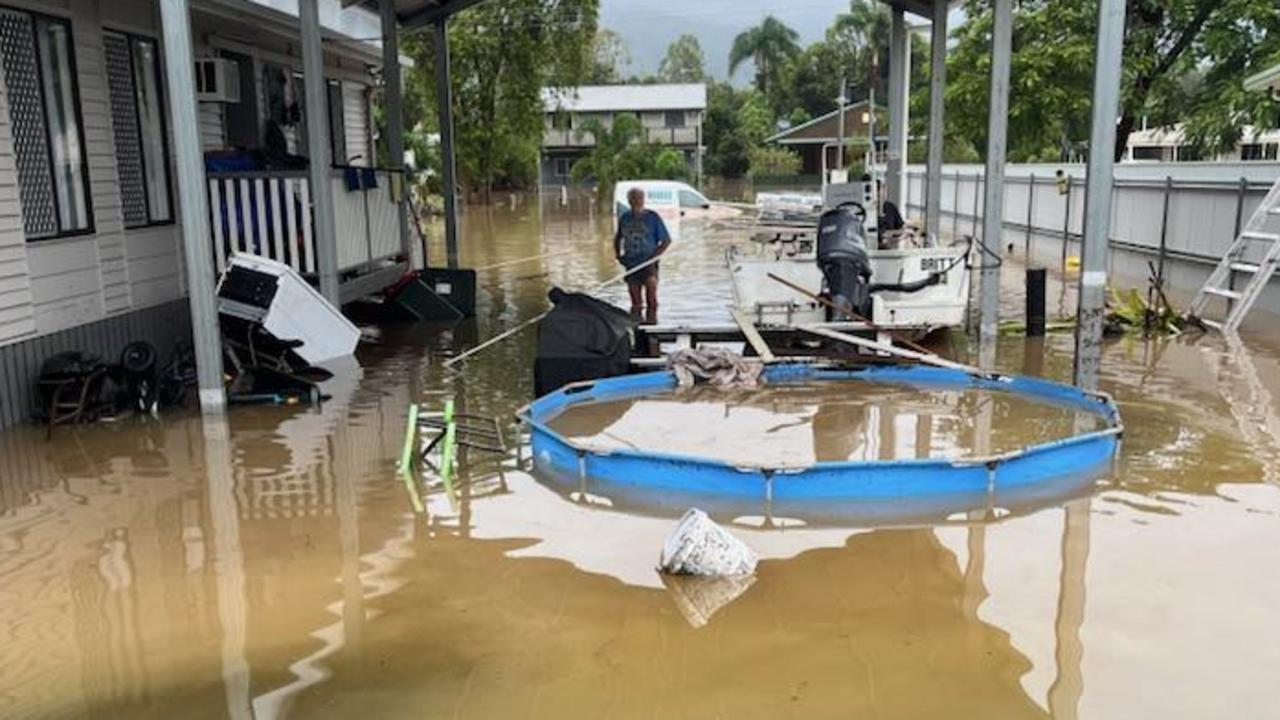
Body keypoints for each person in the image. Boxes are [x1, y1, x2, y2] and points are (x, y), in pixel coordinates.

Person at [614, 186, 671, 323]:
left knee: (651, 299)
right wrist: (618, 256)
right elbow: (618, 238)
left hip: (648, 264)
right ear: (629, 200)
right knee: (636, 302)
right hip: (631, 263)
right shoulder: (625, 218)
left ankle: (652, 326)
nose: (636, 201)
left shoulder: (653, 217)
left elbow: (666, 241)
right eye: (633, 198)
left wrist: (653, 258)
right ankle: (638, 329)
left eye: (639, 198)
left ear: (643, 200)